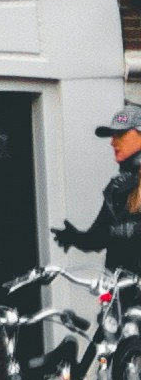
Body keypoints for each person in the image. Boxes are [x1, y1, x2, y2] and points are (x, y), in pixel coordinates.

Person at [72, 96, 141, 273]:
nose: (112, 142)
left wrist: (127, 230)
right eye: (112, 135)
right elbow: (99, 238)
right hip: (120, 289)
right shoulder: (117, 187)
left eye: (121, 134)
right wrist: (74, 237)